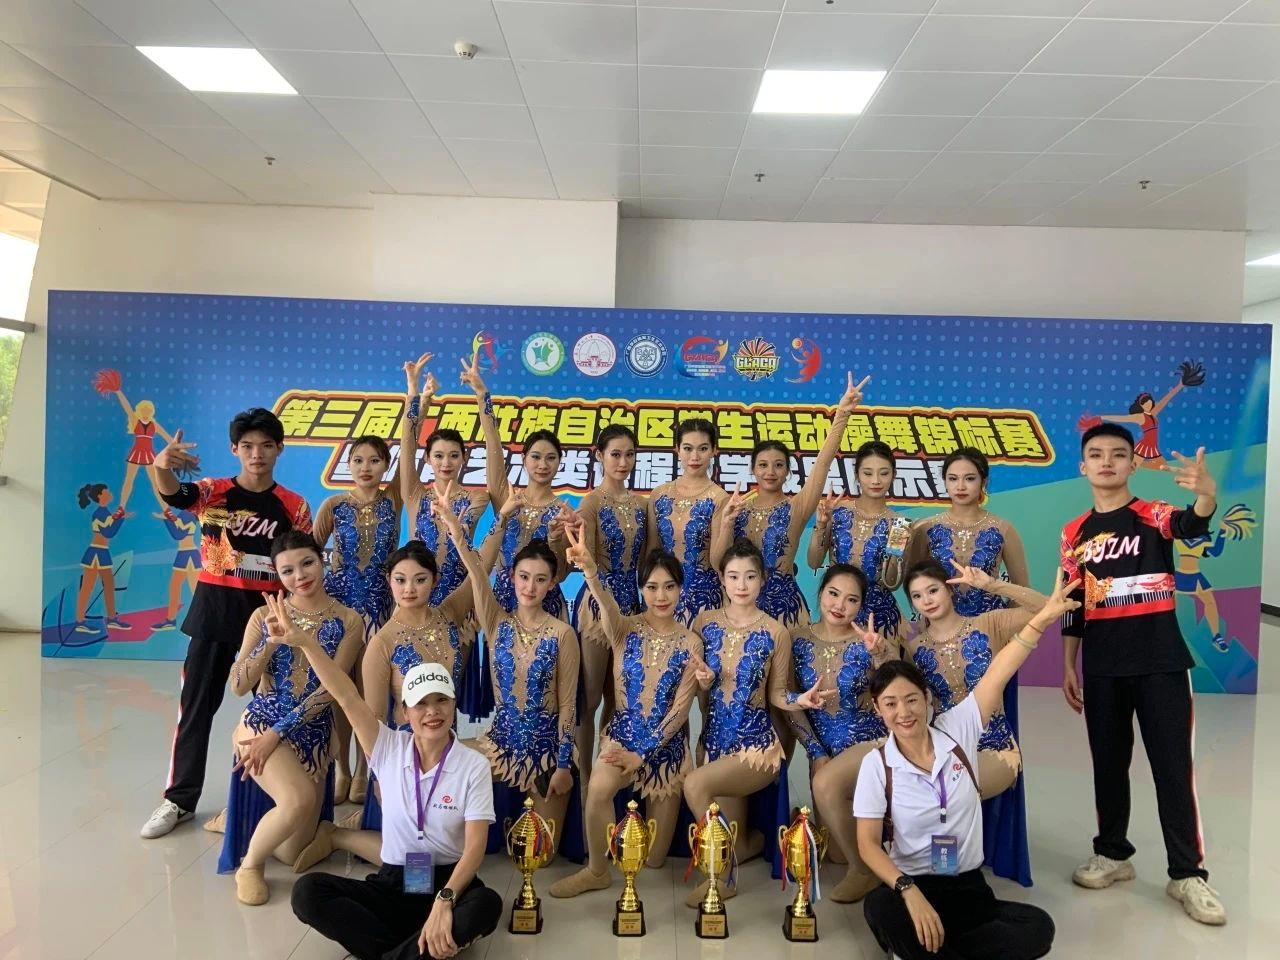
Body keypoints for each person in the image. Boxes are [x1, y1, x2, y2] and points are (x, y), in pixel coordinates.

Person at [853, 571, 1076, 960]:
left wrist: (1041, 619)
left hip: (966, 885)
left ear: (927, 699)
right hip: (912, 884)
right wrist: (907, 890)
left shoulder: (958, 728)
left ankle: (927, 951)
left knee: (1039, 926)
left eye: (911, 700)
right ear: (878, 710)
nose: (903, 712)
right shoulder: (877, 765)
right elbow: (868, 845)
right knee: (878, 906)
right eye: (890, 704)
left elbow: (1001, 668)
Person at [1061, 423, 1225, 925]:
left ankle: (1187, 874)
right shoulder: (1074, 531)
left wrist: (1207, 496)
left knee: (1172, 769)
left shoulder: (1152, 515)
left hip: (1161, 664)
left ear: (1133, 463)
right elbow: (1072, 602)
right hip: (1103, 667)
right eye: (1096, 454)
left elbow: (1191, 523)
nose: (1107, 461)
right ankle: (1112, 854)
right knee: (1108, 766)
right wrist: (1069, 662)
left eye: (1118, 454)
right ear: (1083, 466)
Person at [285, 600, 502, 960]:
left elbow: (475, 848)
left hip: (449, 883)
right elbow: (345, 695)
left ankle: (400, 949)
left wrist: (444, 901)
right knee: (307, 892)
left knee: (487, 905)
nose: (432, 712)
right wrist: (306, 643)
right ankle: (415, 951)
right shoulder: (386, 746)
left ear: (453, 705)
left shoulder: (472, 766)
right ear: (404, 711)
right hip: (393, 884)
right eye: (421, 704)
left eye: (441, 701)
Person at [140, 408, 311, 840]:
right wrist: (161, 465)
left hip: (269, 623)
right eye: (248, 446)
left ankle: (280, 801)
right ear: (235, 449)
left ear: (279, 449)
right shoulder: (211, 492)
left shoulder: (294, 506)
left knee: (274, 710)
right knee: (196, 708)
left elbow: (301, 563)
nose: (257, 454)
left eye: (266, 446)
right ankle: (179, 800)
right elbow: (174, 494)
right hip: (213, 615)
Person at [550, 539, 711, 899]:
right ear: (641, 589)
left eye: (669, 586)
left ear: (680, 589)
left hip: (666, 751)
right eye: (652, 587)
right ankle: (596, 871)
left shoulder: (691, 643)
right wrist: (591, 571)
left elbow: (680, 710)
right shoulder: (624, 629)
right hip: (622, 738)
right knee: (598, 790)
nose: (661, 596)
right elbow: (604, 603)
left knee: (654, 859)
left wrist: (644, 753)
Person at [682, 538, 829, 906]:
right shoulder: (704, 622)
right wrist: (704, 681)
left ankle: (722, 879)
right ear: (722, 579)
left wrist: (800, 700)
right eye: (733, 576)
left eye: (750, 576)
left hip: (756, 748)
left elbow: (776, 694)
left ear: (762, 579)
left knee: (695, 786)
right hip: (714, 744)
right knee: (735, 838)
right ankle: (764, 840)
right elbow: (700, 684)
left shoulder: (776, 632)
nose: (741, 585)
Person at [219, 531, 364, 904]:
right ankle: (250, 866)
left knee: (291, 853)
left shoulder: (349, 620)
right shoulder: (263, 616)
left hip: (312, 733)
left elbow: (331, 689)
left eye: (307, 563)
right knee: (297, 801)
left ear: (321, 560)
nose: (300, 576)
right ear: (278, 575)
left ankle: (240, 821)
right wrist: (270, 641)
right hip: (262, 722)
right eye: (287, 571)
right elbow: (238, 685)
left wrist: (280, 735)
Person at [435, 483, 580, 850]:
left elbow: (568, 706)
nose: (530, 587)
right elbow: (475, 569)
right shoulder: (496, 622)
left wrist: (564, 764)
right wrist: (456, 528)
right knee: (436, 761)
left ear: (552, 585)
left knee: (538, 855)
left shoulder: (562, 634)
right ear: (512, 577)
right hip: (499, 746)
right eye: (524, 577)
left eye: (540, 579)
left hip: (548, 755)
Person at [711, 372, 866, 628]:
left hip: (786, 613)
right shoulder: (735, 509)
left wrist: (842, 414)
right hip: (740, 611)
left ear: (788, 471)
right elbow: (718, 562)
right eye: (763, 465)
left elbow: (823, 463)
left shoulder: (796, 507)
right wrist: (727, 523)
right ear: (753, 470)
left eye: (778, 465)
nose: (770, 472)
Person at [787, 563, 890, 903]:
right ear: (821, 593)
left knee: (826, 787)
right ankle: (867, 847)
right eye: (833, 594)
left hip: (868, 745)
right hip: (824, 752)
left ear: (861, 606)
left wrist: (880, 655)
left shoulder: (869, 641)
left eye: (852, 600)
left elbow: (897, 687)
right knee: (834, 854)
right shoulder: (797, 640)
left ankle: (865, 871)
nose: (840, 605)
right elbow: (789, 705)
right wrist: (815, 751)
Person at [313, 434, 401, 803]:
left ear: (387, 466)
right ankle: (342, 770)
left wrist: (417, 406)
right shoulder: (333, 505)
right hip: (339, 609)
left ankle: (366, 768)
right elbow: (308, 554)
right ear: (347, 465)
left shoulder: (394, 500)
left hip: (379, 607)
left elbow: (410, 446)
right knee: (339, 688)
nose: (366, 468)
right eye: (358, 460)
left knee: (369, 692)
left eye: (375, 460)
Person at [459, 355, 572, 619]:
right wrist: (482, 395)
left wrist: (555, 538)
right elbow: (493, 444)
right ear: (524, 459)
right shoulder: (507, 498)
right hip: (503, 604)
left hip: (547, 609)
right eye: (536, 457)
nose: (542, 464)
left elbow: (562, 573)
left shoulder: (562, 511)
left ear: (559, 463)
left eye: (551, 458)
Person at [572, 424, 648, 786]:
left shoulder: (642, 506)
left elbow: (649, 562)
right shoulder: (591, 503)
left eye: (629, 454)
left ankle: (608, 778)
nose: (623, 462)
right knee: (588, 701)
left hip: (631, 609)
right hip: (596, 607)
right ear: (599, 456)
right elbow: (583, 556)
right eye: (615, 454)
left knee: (619, 701)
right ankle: (584, 785)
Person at [400, 352, 490, 608]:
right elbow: (407, 446)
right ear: (427, 458)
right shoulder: (416, 494)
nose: (446, 463)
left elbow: (463, 533)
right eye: (438, 456)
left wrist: (481, 393)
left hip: (458, 601)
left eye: (453, 455)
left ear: (464, 458)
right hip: (416, 599)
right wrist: (415, 394)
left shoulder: (477, 498)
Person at [907, 447, 1030, 617]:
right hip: (939, 627)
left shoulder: (1003, 529)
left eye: (970, 478)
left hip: (991, 625)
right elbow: (913, 584)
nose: (960, 486)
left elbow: (1022, 591)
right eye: (953, 478)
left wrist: (1002, 625)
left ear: (984, 482)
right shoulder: (926, 528)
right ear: (945, 482)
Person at [807, 440, 911, 638]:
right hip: (838, 611)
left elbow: (892, 583)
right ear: (857, 475)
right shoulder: (837, 511)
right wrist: (821, 525)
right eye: (868, 473)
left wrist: (897, 550)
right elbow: (814, 562)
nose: (876, 481)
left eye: (884, 473)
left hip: (879, 619)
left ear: (894, 475)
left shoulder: (900, 524)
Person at [648, 418, 729, 624]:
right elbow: (651, 553)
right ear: (677, 449)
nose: (695, 457)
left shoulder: (719, 498)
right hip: (663, 599)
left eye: (703, 448)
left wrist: (728, 523)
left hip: (706, 601)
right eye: (687, 448)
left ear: (714, 450)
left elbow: (718, 562)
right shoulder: (659, 495)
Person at [72, 482, 132, 634]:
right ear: (100, 496)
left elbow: (110, 526)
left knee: (109, 584)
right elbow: (109, 532)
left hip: (103, 552)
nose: (110, 493)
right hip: (95, 553)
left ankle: (111, 619)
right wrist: (121, 519)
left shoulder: (106, 512)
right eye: (107, 492)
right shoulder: (100, 513)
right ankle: (80, 621)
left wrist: (119, 517)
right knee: (88, 586)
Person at [151, 506, 200, 632]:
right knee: (175, 587)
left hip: (189, 555)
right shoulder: (184, 513)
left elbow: (178, 534)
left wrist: (166, 519)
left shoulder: (189, 514)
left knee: (195, 590)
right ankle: (171, 620)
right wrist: (167, 518)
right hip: (183, 554)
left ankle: (203, 618)